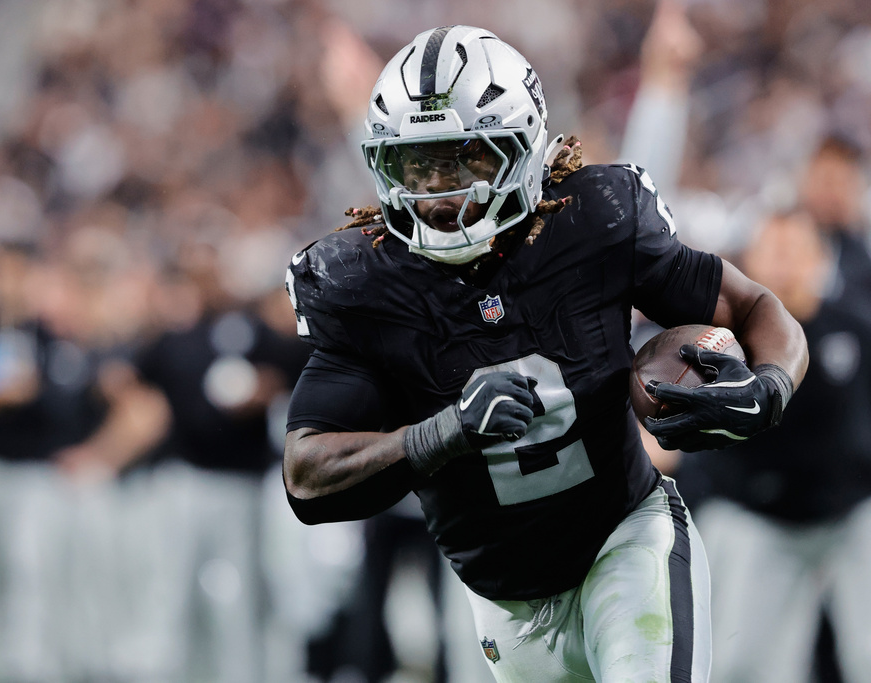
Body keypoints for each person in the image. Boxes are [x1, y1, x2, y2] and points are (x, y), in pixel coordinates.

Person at [282, 25, 808, 683]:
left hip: (624, 540)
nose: (438, 194)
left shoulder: (596, 220)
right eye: (417, 165)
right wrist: (445, 430)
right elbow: (307, 473)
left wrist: (770, 387)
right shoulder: (366, 283)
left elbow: (759, 310)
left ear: (522, 148)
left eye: (464, 159)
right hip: (501, 594)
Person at [672, 209, 871, 683]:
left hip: (851, 514)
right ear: (752, 263)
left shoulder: (855, 328)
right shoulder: (725, 347)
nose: (784, 264)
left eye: (795, 251)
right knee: (745, 664)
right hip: (762, 520)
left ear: (820, 261)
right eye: (773, 251)